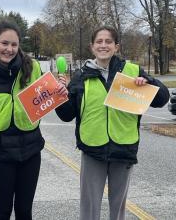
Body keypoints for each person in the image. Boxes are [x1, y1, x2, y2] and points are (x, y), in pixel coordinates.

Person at [55, 26, 169, 220]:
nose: (103, 45)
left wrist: (148, 81)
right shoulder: (81, 77)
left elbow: (162, 99)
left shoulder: (132, 71)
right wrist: (61, 95)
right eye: (99, 41)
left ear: (116, 46)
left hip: (123, 148)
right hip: (92, 149)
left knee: (118, 209)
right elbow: (66, 115)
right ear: (92, 47)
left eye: (108, 41)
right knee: (89, 208)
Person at [0, 19, 66, 220]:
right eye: (4, 43)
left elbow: (46, 98)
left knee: (24, 211)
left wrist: (59, 90)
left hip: (31, 153)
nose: (9, 49)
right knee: (2, 212)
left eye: (14, 44)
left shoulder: (33, 68)